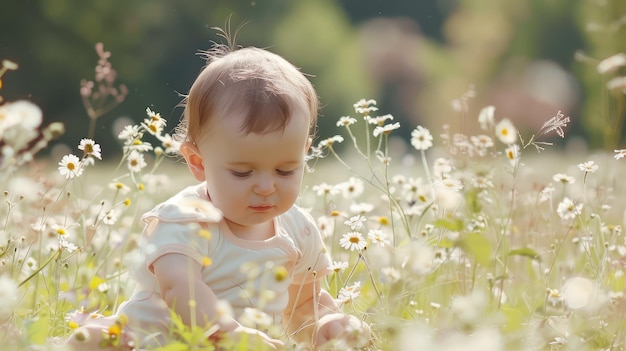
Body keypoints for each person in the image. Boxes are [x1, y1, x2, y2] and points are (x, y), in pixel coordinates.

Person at [67, 42, 370, 350]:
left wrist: (327, 325)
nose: (266, 187)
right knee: (97, 343)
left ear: (305, 154)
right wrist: (229, 334)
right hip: (155, 341)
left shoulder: (298, 230)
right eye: (242, 173)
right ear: (198, 162)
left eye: (286, 171)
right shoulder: (183, 220)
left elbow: (304, 305)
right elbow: (180, 291)